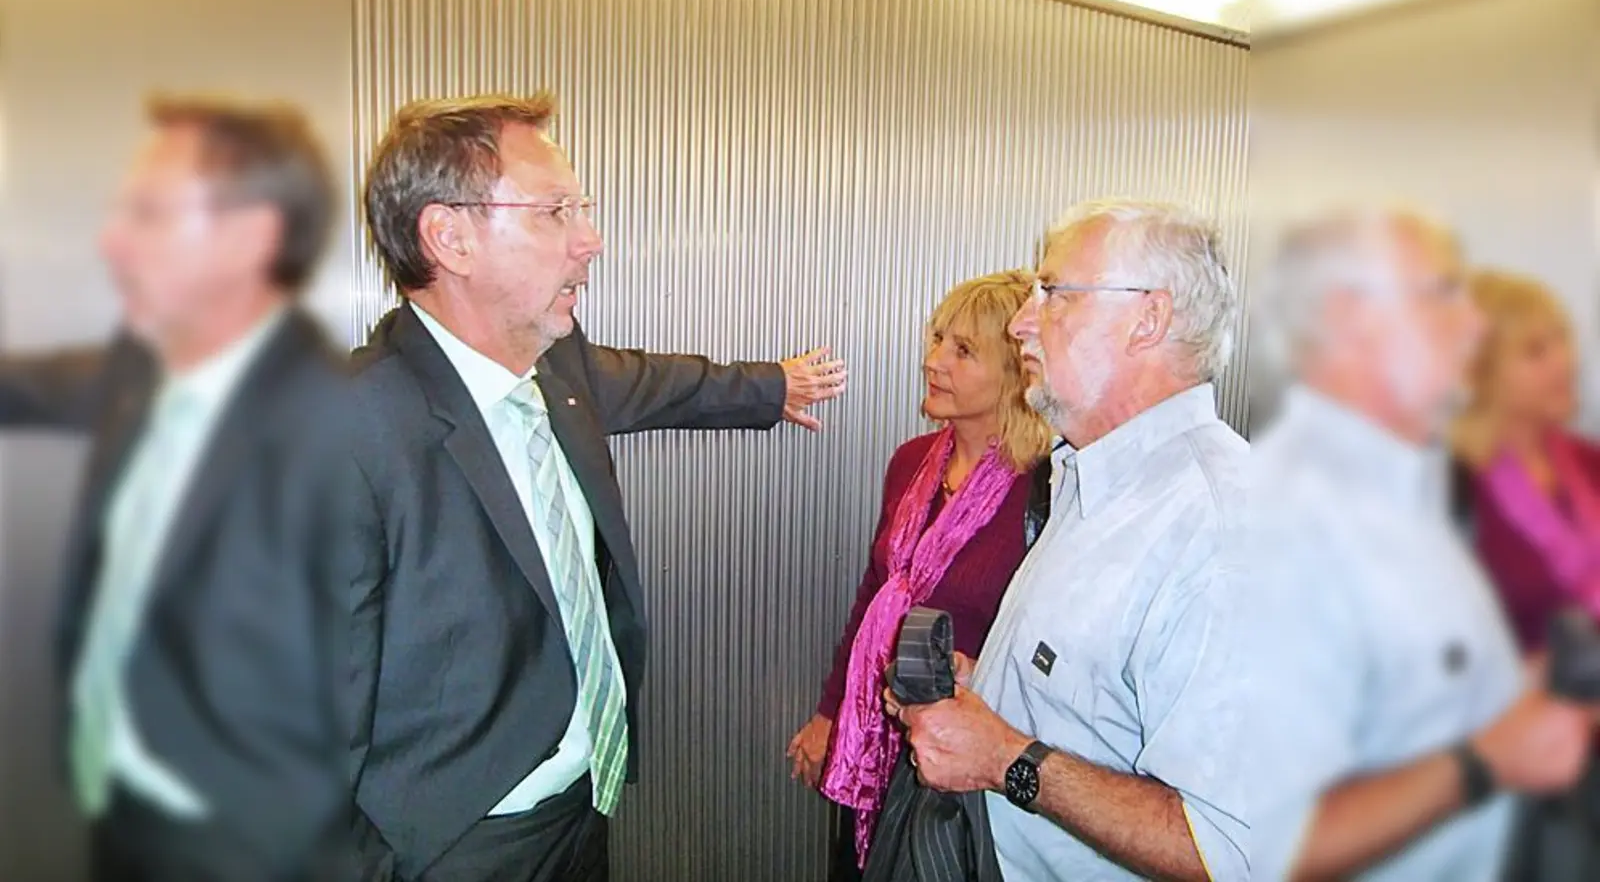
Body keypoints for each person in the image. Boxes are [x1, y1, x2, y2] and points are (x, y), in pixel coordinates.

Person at [340, 92, 848, 882]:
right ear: (449, 236)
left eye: (583, 209)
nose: (591, 240)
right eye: (555, 212)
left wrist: (772, 388)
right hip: (451, 848)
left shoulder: (559, 370)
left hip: (583, 811)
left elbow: (664, 384)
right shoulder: (338, 430)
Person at [0, 95, 349, 880]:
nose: (110, 241)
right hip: (125, 819)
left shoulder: (334, 430)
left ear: (252, 237)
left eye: (148, 214)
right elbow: (21, 385)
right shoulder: (139, 375)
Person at [887, 199, 1253, 881]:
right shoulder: (1091, 478)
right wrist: (990, 690)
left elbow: (1230, 852)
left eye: (1053, 293)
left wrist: (1005, 758)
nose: (1024, 323)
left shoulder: (1220, 531)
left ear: (1149, 319)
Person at [1252, 209, 1596, 881]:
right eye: (1443, 295)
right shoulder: (1293, 513)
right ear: (1352, 319)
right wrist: (1485, 759)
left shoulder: (1404, 488)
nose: (1470, 325)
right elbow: (1262, 845)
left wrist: (1513, 696)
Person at [785, 271, 1052, 878]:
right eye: (937, 340)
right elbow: (875, 596)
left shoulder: (1046, 486)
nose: (933, 362)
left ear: (1015, 370)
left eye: (963, 351)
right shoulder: (912, 462)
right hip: (875, 734)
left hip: (971, 764)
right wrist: (831, 714)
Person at [1450, 270, 1600, 652]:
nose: (1565, 362)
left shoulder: (1588, 461)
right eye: (1535, 351)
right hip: (1522, 706)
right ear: (1480, 372)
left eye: (1562, 339)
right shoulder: (1454, 489)